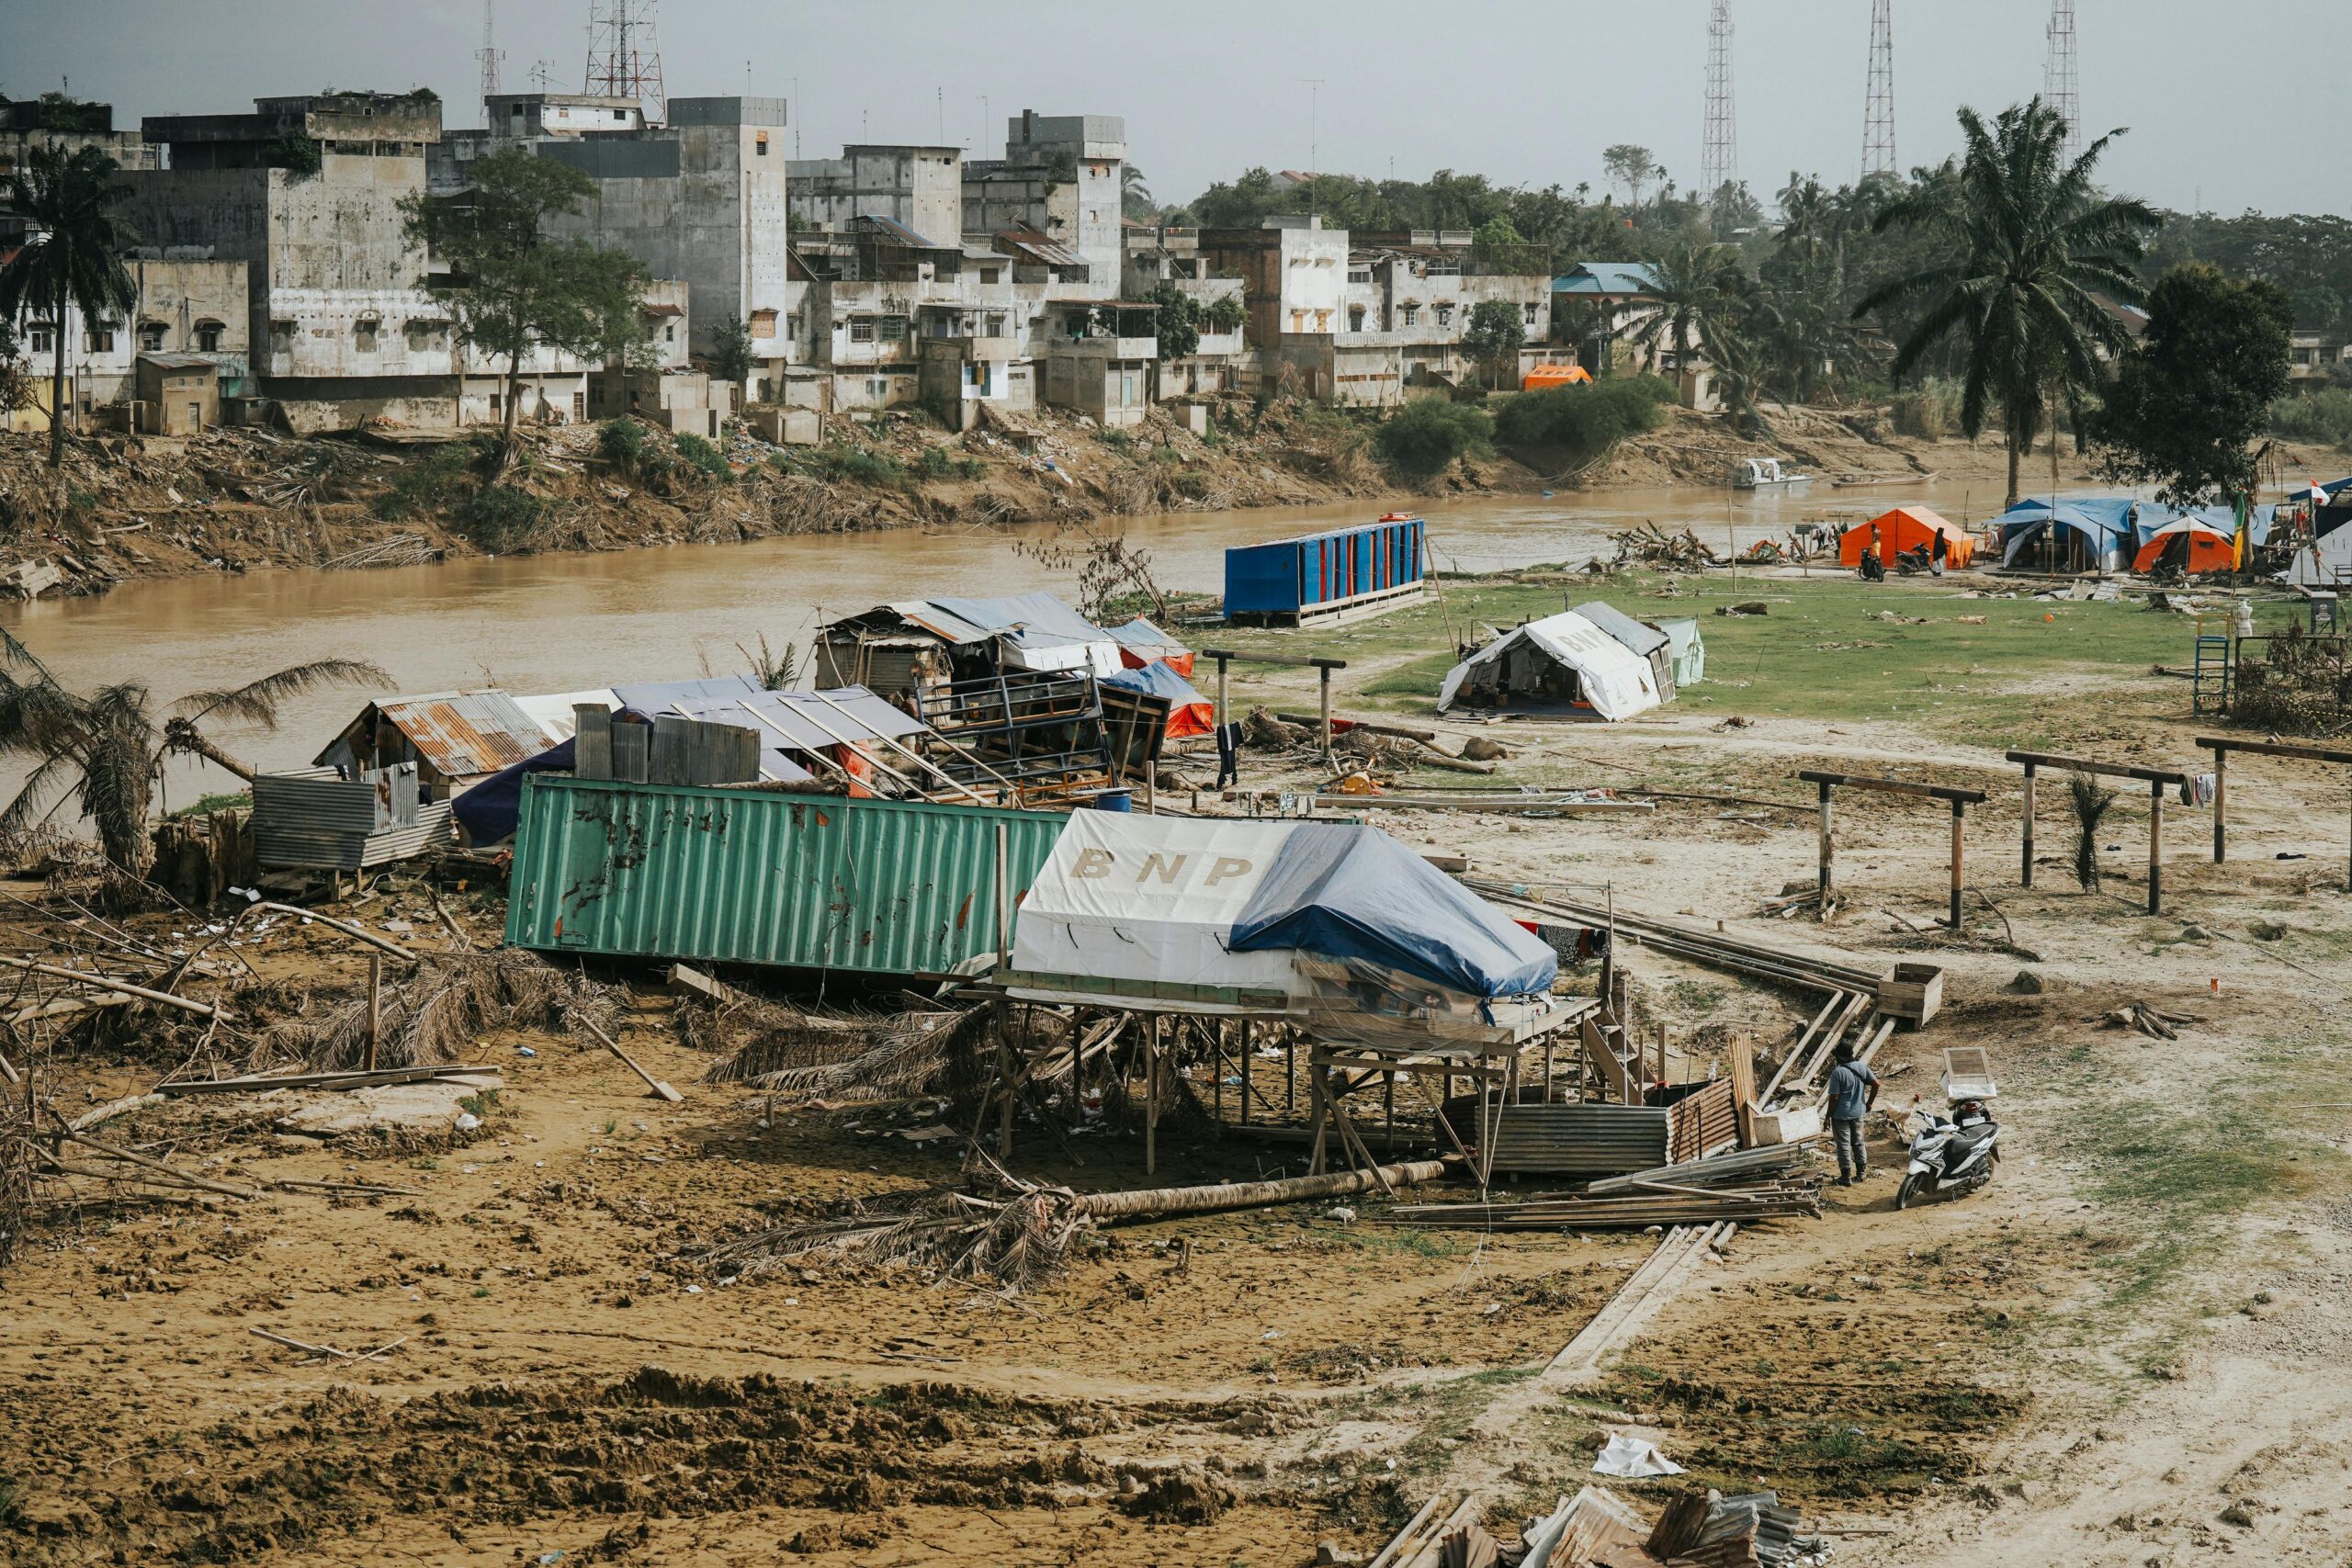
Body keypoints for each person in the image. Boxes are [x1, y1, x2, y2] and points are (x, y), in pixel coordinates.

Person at [1826, 1040, 1880, 1186]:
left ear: (1840, 1058)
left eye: (1836, 1057)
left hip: (1840, 1115)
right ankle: (1861, 1174)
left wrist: (1827, 1117)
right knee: (1858, 1143)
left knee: (1843, 1145)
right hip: (1858, 1113)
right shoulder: (1862, 1067)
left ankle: (1845, 1177)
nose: (1836, 1060)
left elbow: (1834, 1098)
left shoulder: (1838, 1072)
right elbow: (1876, 1084)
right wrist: (1869, 1103)